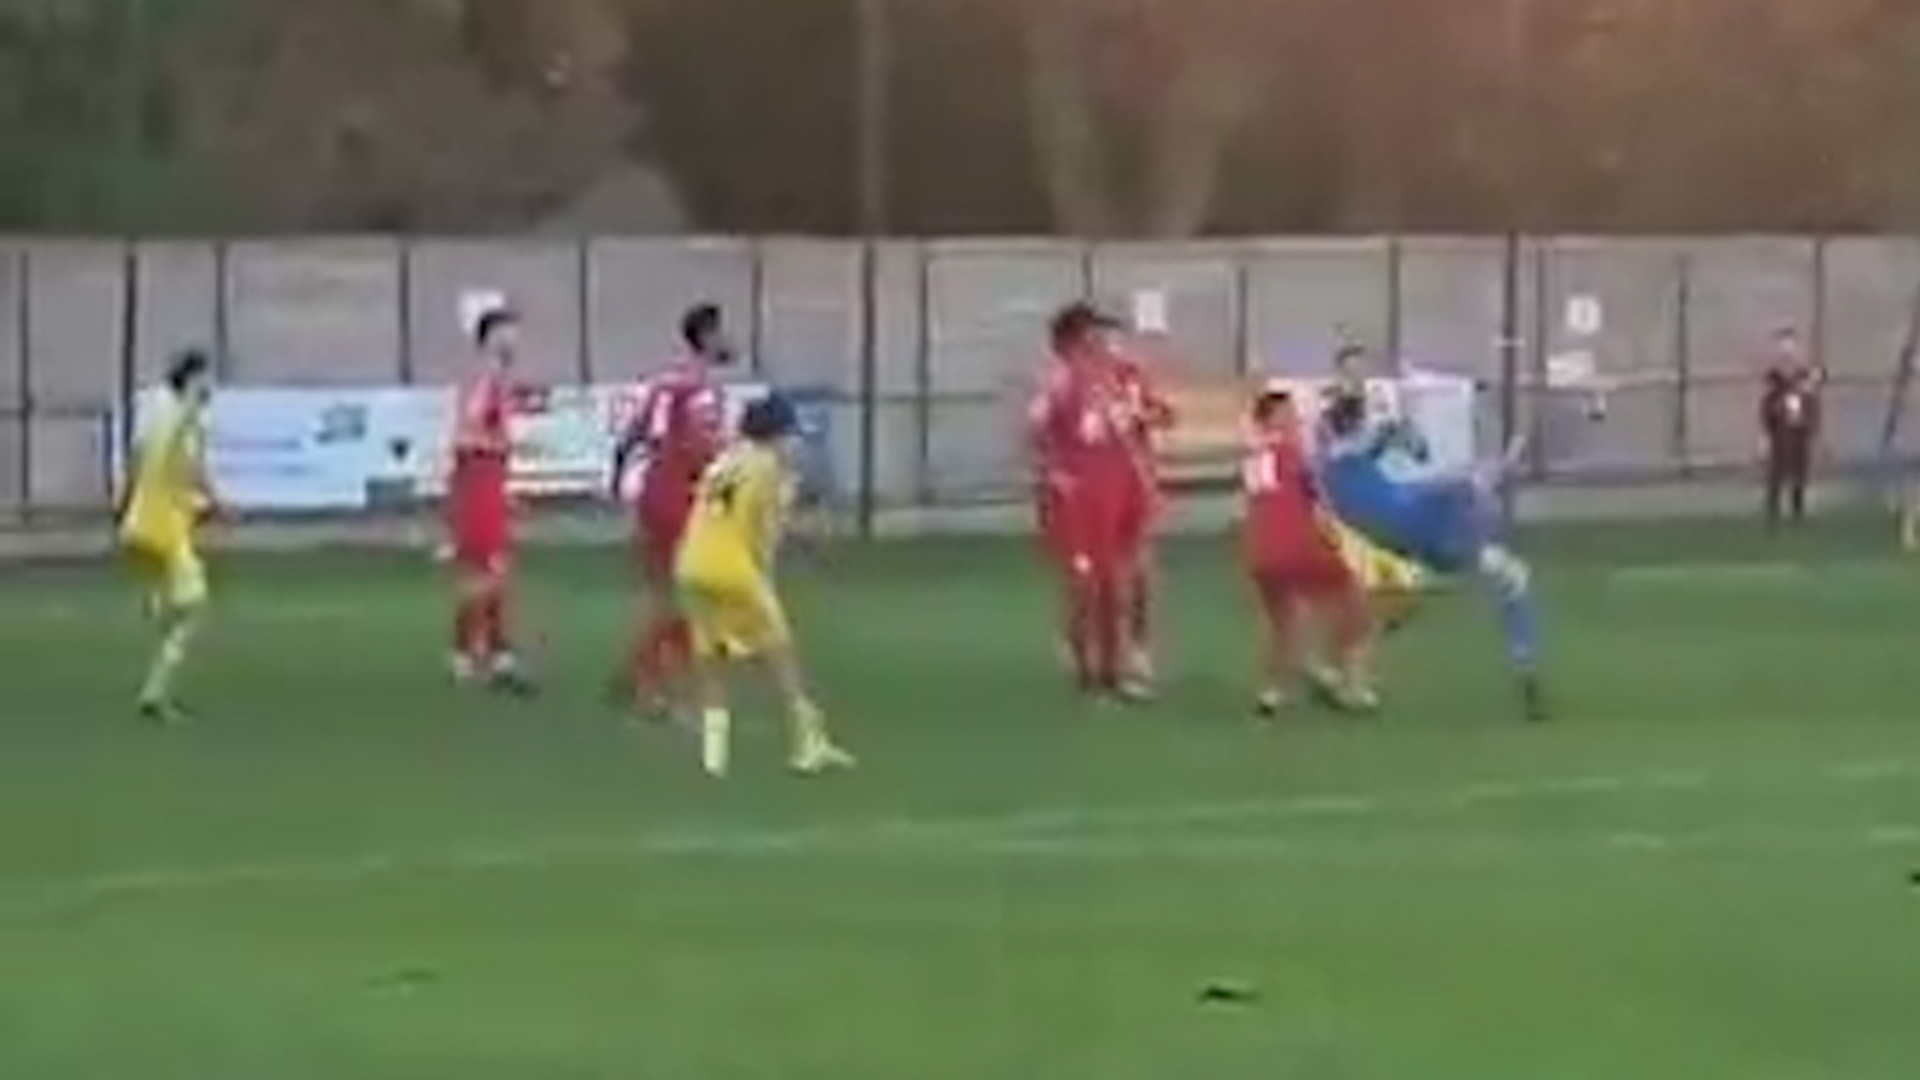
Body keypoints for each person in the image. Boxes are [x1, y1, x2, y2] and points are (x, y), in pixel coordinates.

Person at [1317, 393, 1548, 721]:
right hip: (1428, 532)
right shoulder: (1360, 454)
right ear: (1356, 424)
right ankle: (1525, 662)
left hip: (1400, 543)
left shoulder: (1335, 466)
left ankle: (1349, 671)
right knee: (1510, 574)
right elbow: (1416, 467)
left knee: (1400, 606)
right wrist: (1488, 470)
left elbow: (1392, 459)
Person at [674, 393, 854, 778]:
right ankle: (809, 746)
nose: (794, 443)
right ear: (775, 435)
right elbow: (765, 534)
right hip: (734, 569)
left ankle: (714, 758)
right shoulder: (769, 469)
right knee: (782, 656)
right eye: (790, 434)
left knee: (711, 660)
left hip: (691, 565)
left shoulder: (725, 461)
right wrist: (767, 573)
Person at [609, 302, 731, 714]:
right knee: (690, 596)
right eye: (721, 333)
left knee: (669, 593)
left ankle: (640, 675)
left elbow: (632, 434)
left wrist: (618, 478)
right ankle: (649, 683)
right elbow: (704, 448)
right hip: (680, 497)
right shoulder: (700, 390)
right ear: (708, 338)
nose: (727, 340)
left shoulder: (665, 383)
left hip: (654, 493)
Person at [1027, 301, 1147, 700]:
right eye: (1092, 335)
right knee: (1085, 587)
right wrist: (1051, 475)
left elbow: (1138, 424)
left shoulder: (1113, 378)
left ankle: (1116, 669)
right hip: (1079, 502)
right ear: (1072, 342)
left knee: (1119, 584)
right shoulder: (1058, 383)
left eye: (1101, 334)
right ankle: (1085, 669)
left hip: (1118, 493)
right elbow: (1036, 433)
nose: (1101, 341)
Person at [1240, 387, 1376, 715]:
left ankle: (1272, 692)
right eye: (1289, 414)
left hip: (1260, 551)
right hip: (1298, 544)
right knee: (1355, 596)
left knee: (1284, 620)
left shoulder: (1253, 457)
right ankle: (1351, 684)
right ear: (1275, 420)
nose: (1296, 419)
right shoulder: (1294, 452)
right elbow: (1318, 496)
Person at [118, 348, 219, 723]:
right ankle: (155, 694)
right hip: (164, 528)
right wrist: (209, 496)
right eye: (206, 378)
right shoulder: (183, 416)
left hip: (143, 522)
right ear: (192, 379)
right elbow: (187, 466)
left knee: (178, 600)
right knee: (194, 607)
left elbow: (142, 458)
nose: (211, 386)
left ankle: (158, 603)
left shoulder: (159, 409)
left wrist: (127, 498)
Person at [446, 296, 536, 694]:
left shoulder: (495, 378)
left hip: (488, 480)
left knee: (496, 570)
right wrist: (493, 454)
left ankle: (497, 653)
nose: (514, 339)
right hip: (479, 480)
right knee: (484, 573)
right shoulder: (486, 380)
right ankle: (466, 652)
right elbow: (468, 434)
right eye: (506, 332)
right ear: (489, 338)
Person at [1109, 337, 1176, 689]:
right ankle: (1111, 657)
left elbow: (1167, 415)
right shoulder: (1082, 385)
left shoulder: (1135, 378)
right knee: (1109, 580)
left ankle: (1139, 649)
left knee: (1142, 577)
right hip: (1100, 494)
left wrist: (1144, 415)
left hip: (1137, 489)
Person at [1758, 327, 1820, 531]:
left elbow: (1811, 394)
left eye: (1791, 345)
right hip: (1780, 428)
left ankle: (1797, 510)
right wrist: (1765, 432)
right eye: (1783, 345)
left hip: (1799, 427)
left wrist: (1811, 424)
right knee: (1777, 470)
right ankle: (1773, 512)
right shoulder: (1774, 376)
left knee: (1800, 470)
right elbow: (1767, 403)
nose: (1787, 350)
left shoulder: (1803, 374)